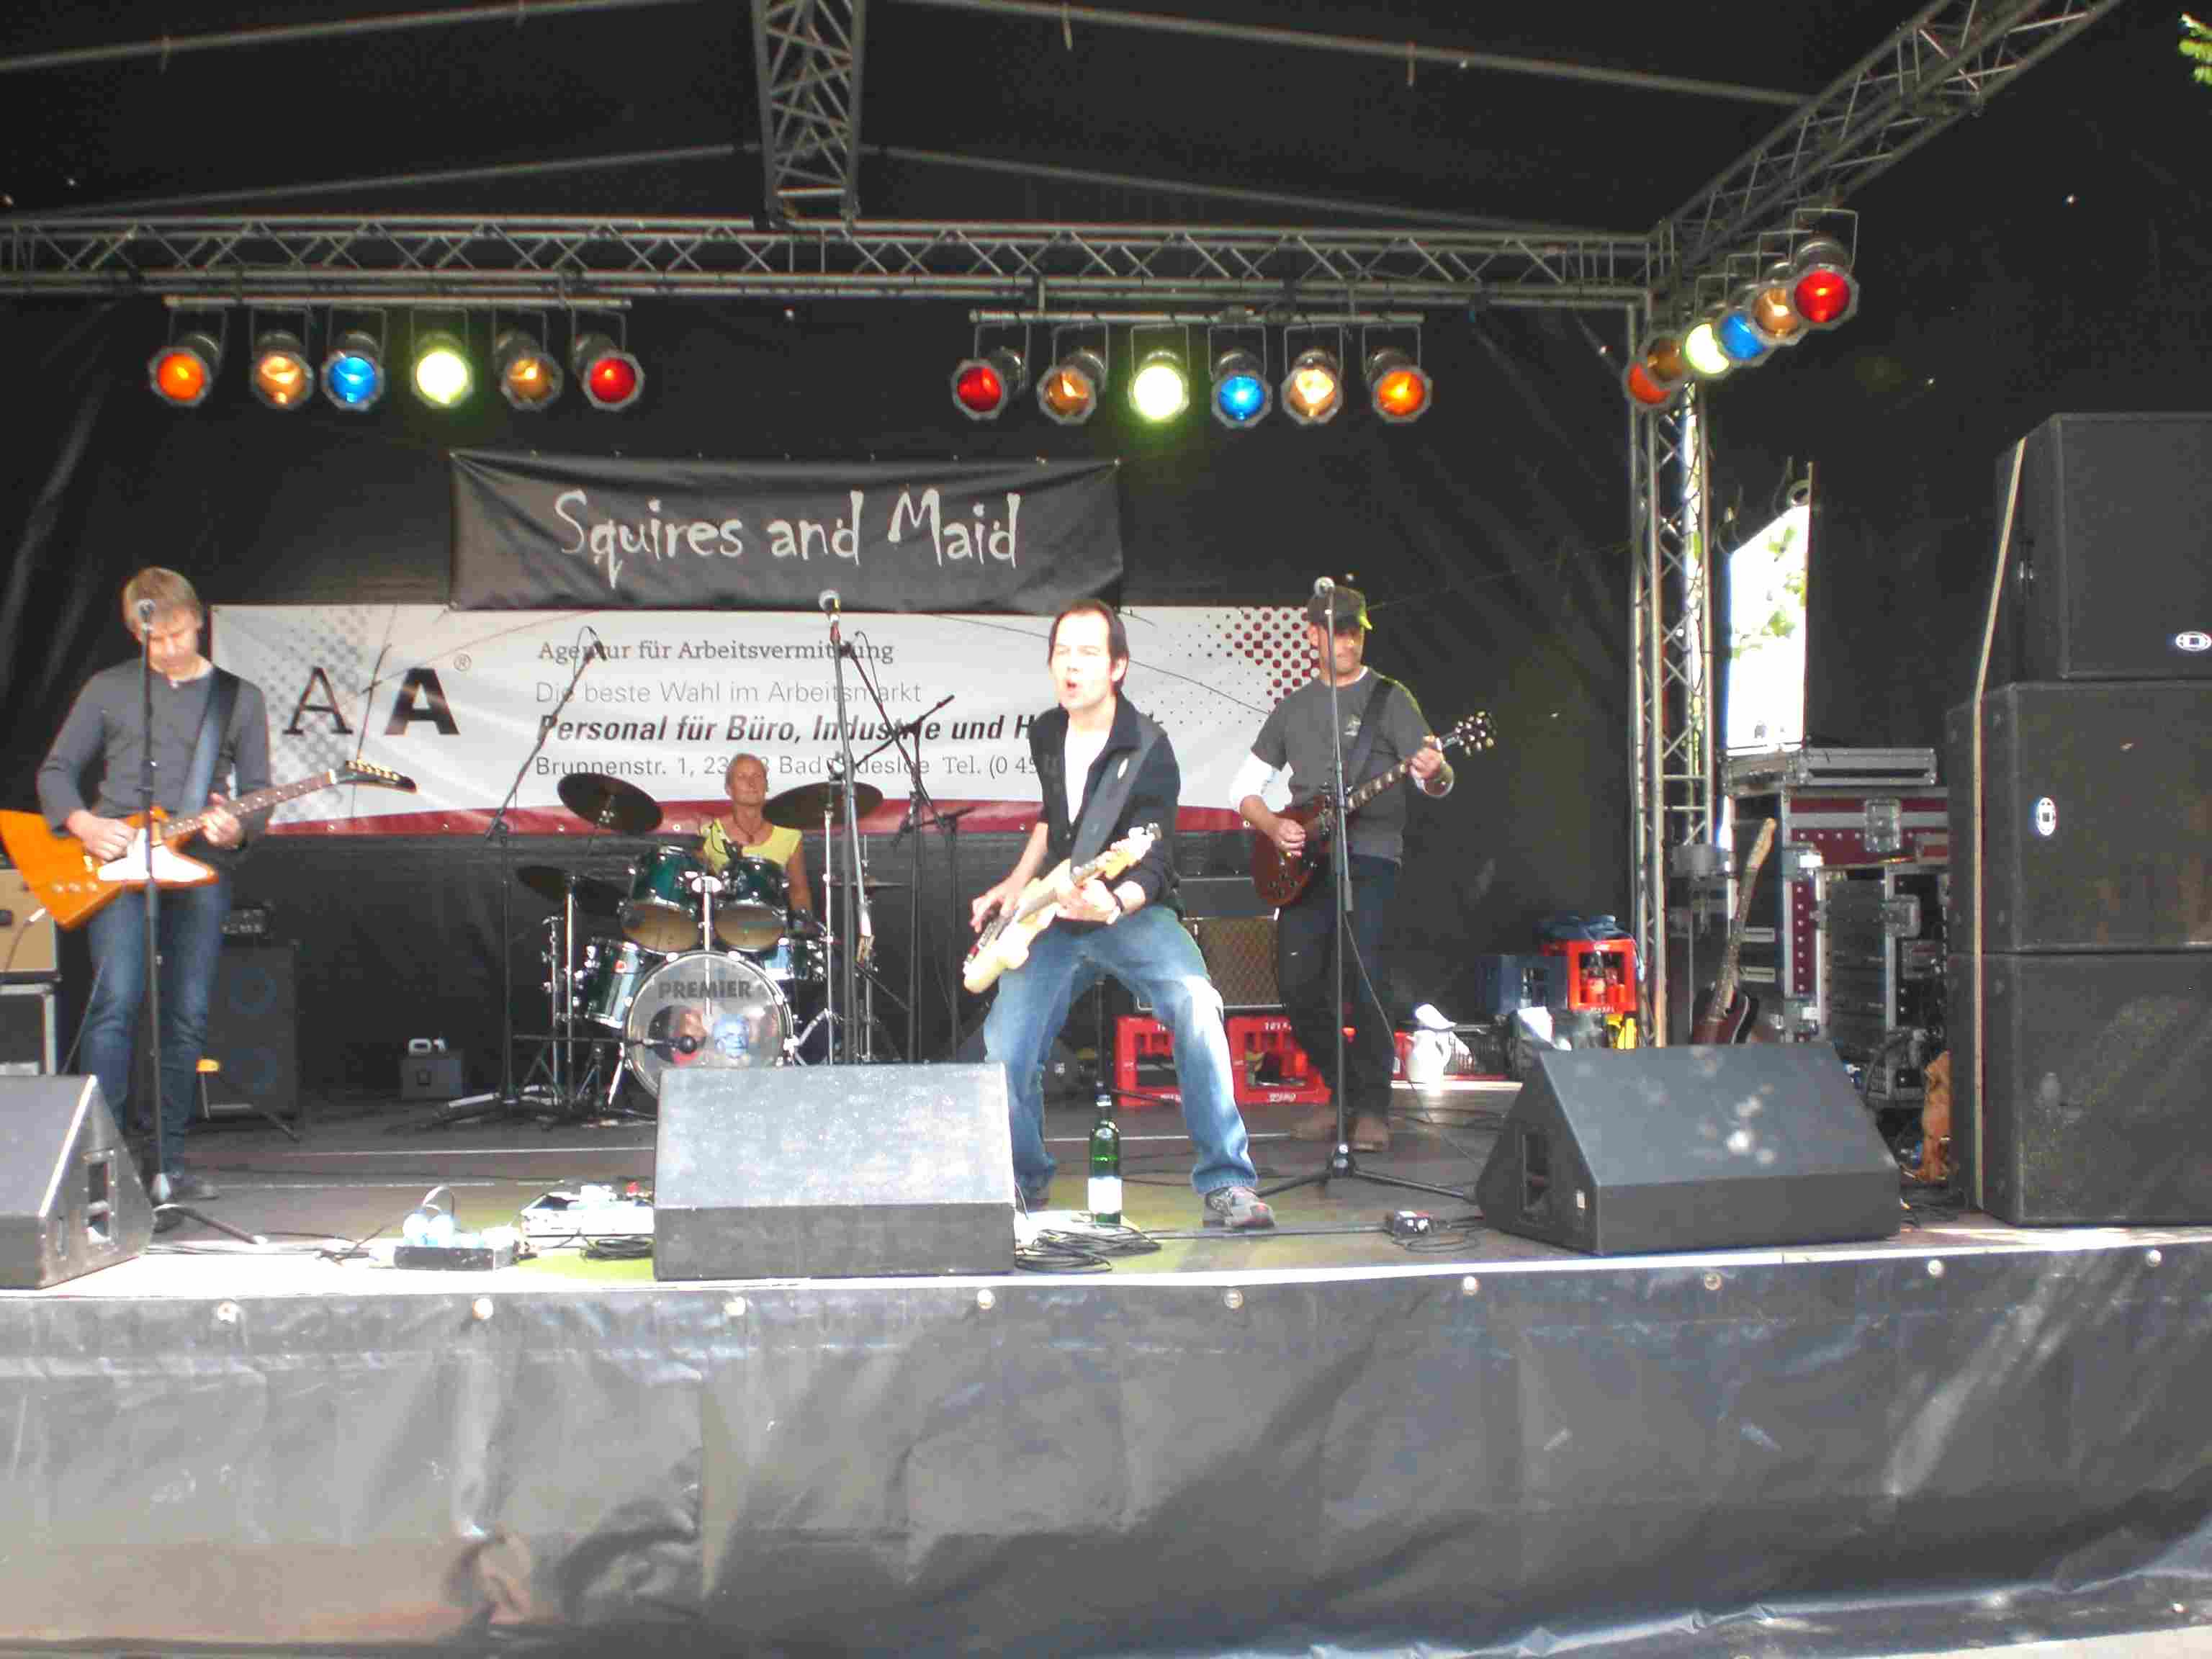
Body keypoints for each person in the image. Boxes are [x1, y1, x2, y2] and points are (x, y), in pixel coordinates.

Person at [971, 599, 1274, 1229]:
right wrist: (1015, 885)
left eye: (1088, 653)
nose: (1071, 666)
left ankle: (1227, 1180)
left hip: (1129, 910)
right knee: (1004, 1049)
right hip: (1054, 916)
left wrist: (1115, 900)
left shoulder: (1149, 749)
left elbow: (1156, 856)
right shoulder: (1046, 733)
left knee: (1196, 1004)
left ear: (1118, 667)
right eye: (1062, 652)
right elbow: (1053, 819)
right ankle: (1023, 1181)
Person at [36, 568, 271, 1202]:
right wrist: (85, 824)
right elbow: (56, 772)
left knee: (187, 1013)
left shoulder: (239, 698)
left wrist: (236, 830)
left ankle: (168, 1164)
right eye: (154, 640)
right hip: (117, 863)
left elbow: (258, 793)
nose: (167, 649)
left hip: (199, 867)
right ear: (134, 633)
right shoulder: (109, 688)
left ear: (200, 621)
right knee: (114, 1004)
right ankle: (101, 1169)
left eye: (178, 634)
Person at [1233, 583, 1452, 1156]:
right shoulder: (1294, 708)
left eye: (1356, 632)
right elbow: (1243, 789)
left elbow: (1435, 781)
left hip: (1371, 856)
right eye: (1338, 632)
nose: (1349, 642)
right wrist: (1272, 826)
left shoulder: (1390, 699)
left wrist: (1435, 769)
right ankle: (1344, 1092)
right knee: (1298, 983)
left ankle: (1373, 1106)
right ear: (1314, 636)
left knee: (1366, 978)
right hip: (1306, 861)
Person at [699, 752, 813, 917]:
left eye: (757, 776)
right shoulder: (709, 833)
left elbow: (799, 891)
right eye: (742, 777)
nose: (751, 783)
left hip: (774, 923)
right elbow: (698, 890)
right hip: (725, 924)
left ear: (766, 786)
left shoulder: (789, 833)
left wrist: (804, 923)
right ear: (729, 789)